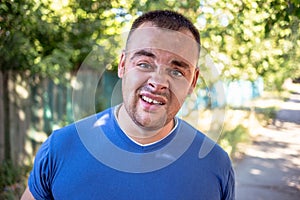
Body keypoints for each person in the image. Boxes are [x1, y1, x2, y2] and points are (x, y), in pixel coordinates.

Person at [21, 10, 235, 200]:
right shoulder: (61, 148)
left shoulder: (215, 164)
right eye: (144, 63)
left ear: (193, 82)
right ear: (122, 65)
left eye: (177, 71)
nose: (158, 82)